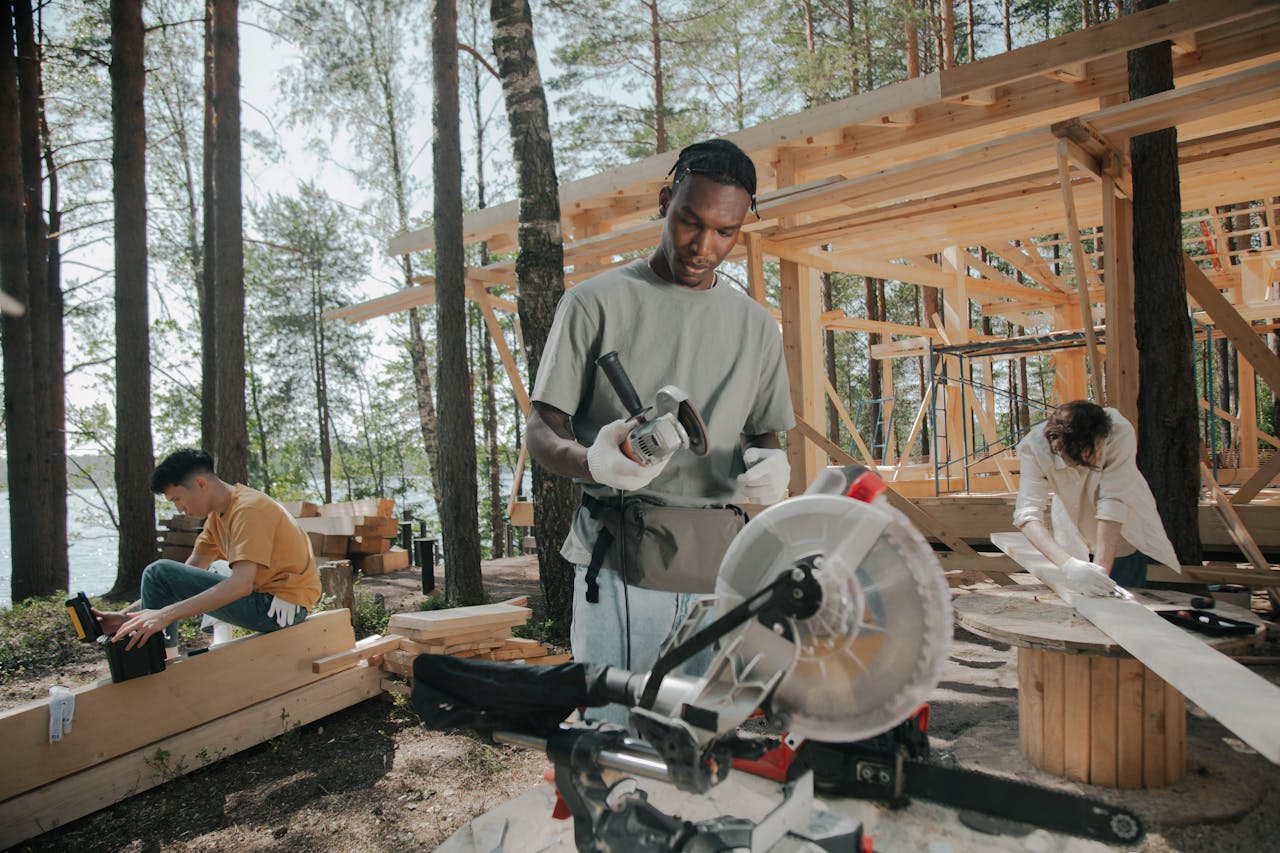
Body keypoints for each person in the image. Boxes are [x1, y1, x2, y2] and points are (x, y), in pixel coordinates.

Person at [527, 138, 795, 688]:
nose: (704, 246)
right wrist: (592, 462)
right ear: (665, 199)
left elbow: (764, 435)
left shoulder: (757, 327)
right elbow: (540, 429)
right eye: (690, 221)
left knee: (700, 739)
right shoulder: (594, 303)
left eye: (726, 232)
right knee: (611, 736)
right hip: (619, 562)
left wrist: (771, 465)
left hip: (720, 569)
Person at [95, 449, 321, 651]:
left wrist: (164, 615)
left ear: (201, 484)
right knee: (212, 568)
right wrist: (126, 616)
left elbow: (241, 585)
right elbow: (184, 575)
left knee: (158, 572)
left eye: (178, 499)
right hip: (267, 600)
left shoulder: (249, 509)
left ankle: (158, 658)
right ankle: (165, 654)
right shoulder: (216, 517)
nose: (180, 509)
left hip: (279, 610)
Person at [1013, 400, 1179, 596]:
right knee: (1079, 602)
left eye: (1094, 453)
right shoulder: (1033, 449)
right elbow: (1027, 515)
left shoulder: (1119, 431)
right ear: (1059, 448)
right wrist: (1068, 565)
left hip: (1120, 527)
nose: (1090, 459)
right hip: (1072, 520)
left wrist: (1102, 575)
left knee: (1124, 602)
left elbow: (1113, 503)